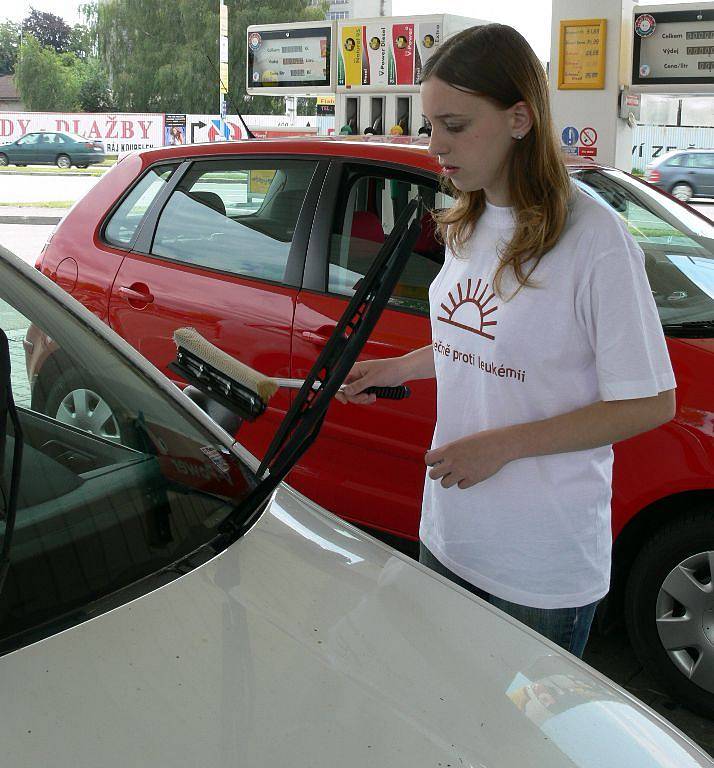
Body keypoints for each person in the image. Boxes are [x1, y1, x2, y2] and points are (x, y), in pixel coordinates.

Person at [336, 24, 676, 659]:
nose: (435, 145)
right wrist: (399, 367)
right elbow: (477, 337)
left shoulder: (595, 241)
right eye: (430, 125)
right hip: (450, 531)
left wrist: (504, 447)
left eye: (455, 126)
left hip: (539, 568)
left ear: (520, 118)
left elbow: (651, 403)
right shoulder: (467, 220)